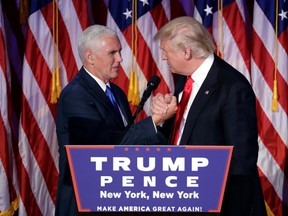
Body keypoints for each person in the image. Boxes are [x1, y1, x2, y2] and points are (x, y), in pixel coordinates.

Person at [55, 24, 177, 216]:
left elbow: (129, 143)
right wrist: (153, 121)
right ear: (90, 57)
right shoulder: (75, 95)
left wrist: (163, 120)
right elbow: (106, 149)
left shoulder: (116, 93)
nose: (120, 59)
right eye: (113, 53)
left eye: (120, 51)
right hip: (85, 205)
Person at [151, 16, 267, 215]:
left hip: (216, 204)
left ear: (186, 52)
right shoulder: (185, 80)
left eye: (165, 51)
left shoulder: (232, 86)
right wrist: (163, 114)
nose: (163, 57)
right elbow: (181, 134)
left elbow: (241, 160)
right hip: (181, 195)